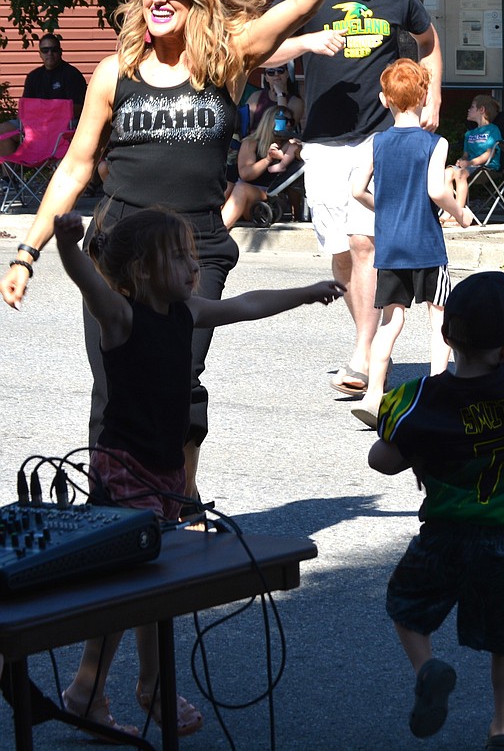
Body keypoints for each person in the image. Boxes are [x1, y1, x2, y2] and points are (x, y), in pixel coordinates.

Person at [0, 0, 378, 507]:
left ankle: (176, 493)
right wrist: (28, 252)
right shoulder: (114, 71)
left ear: (198, 0)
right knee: (114, 381)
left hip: (194, 247)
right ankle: (109, 507)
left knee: (180, 373)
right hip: (117, 248)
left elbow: (304, 3)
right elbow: (75, 167)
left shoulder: (228, 60)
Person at [53, 206, 344, 738]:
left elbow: (244, 305)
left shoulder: (184, 312)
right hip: (124, 469)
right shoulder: (120, 317)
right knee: (132, 584)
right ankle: (107, 688)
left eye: (192, 254)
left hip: (166, 470)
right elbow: (85, 282)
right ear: (142, 270)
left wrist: (304, 293)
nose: (193, 264)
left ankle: (125, 686)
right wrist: (68, 246)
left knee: (149, 582)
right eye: (179, 256)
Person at [368, 270, 504, 747]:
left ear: (447, 335)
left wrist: (419, 446)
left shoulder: (419, 399)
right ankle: (503, 727)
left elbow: (381, 461)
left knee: (406, 608)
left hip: (443, 533)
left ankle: (427, 667)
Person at [267, 0, 442, 399]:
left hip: (377, 134)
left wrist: (435, 94)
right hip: (322, 139)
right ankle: (364, 337)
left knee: (365, 243)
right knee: (339, 251)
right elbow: (259, 51)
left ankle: (364, 354)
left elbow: (428, 43)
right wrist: (304, 41)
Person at [348, 60, 472, 424]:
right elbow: (436, 189)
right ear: (424, 96)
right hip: (427, 245)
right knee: (440, 319)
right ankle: (435, 395)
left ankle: (373, 395)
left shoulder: (378, 142)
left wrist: (382, 206)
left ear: (385, 100)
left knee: (392, 320)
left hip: (391, 246)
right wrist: (461, 213)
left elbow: (357, 190)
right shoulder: (435, 142)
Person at [0, 34, 89, 156]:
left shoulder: (72, 75)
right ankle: (8, 175)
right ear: (40, 53)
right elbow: (24, 111)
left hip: (64, 129)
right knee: (4, 129)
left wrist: (48, 111)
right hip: (35, 128)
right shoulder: (33, 77)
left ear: (61, 52)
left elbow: (81, 109)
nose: (50, 53)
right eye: (45, 50)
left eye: (54, 50)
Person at [221, 105, 304, 229]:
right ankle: (208, 226)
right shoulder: (251, 143)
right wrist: (268, 159)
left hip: (272, 199)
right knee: (227, 186)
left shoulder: (291, 147)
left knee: (241, 188)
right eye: (285, 121)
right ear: (271, 122)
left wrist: (297, 149)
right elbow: (245, 174)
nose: (289, 125)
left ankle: (219, 232)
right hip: (246, 194)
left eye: (291, 121)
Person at [442, 93, 502, 222]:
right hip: (470, 166)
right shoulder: (469, 134)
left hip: (486, 168)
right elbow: (466, 154)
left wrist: (469, 163)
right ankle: (448, 211)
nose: (468, 110)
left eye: (472, 107)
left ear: (481, 110)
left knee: (461, 174)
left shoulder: (493, 130)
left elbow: (488, 154)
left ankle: (459, 214)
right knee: (447, 173)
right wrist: (462, 160)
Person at [245, 61, 304, 130]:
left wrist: (280, 94)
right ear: (266, 78)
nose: (276, 74)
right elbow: (245, 126)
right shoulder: (256, 96)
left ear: (287, 74)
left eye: (280, 70)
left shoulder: (296, 102)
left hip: (279, 139)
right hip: (254, 139)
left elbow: (283, 128)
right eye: (271, 72)